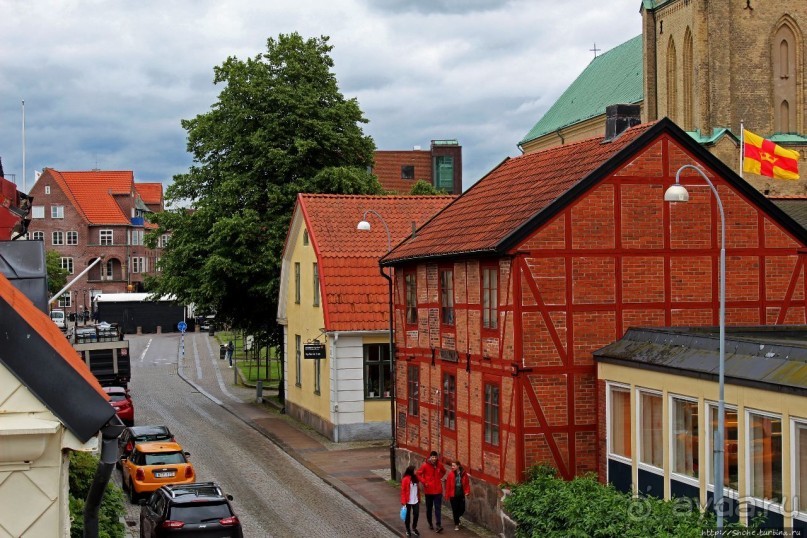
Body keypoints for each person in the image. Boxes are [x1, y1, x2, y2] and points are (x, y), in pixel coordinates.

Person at [416, 451, 446, 533]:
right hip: (428, 491)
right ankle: (430, 523)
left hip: (438, 491)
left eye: (435, 457)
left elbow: (444, 471)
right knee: (429, 509)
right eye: (433, 457)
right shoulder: (425, 465)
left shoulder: (439, 465)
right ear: (430, 457)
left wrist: (439, 477)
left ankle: (438, 525)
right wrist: (425, 482)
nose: (434, 459)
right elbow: (418, 474)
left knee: (438, 509)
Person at [445, 460, 470, 530]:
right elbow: (448, 485)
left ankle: (457, 517)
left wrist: (467, 491)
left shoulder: (463, 474)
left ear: (458, 466)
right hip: (453, 495)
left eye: (454, 466)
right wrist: (447, 495)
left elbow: (467, 484)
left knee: (462, 509)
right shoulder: (450, 474)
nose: (452, 467)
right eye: (452, 466)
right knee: (455, 510)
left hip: (461, 494)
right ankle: (456, 524)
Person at [400, 465, 420, 537]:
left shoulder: (415, 478)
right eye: (414, 470)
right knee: (407, 516)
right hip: (408, 501)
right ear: (411, 471)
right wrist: (403, 501)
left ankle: (414, 527)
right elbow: (403, 491)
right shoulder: (405, 479)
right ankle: (408, 529)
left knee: (416, 514)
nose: (416, 471)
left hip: (415, 500)